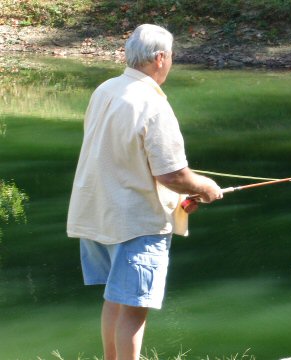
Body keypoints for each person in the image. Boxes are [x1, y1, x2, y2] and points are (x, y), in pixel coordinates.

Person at [67, 24, 223, 360]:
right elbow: (173, 174)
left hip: (98, 212)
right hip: (136, 223)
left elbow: (123, 159)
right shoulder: (153, 104)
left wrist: (178, 200)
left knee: (114, 298)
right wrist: (206, 188)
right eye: (171, 56)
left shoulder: (106, 89)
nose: (171, 62)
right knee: (135, 309)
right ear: (160, 58)